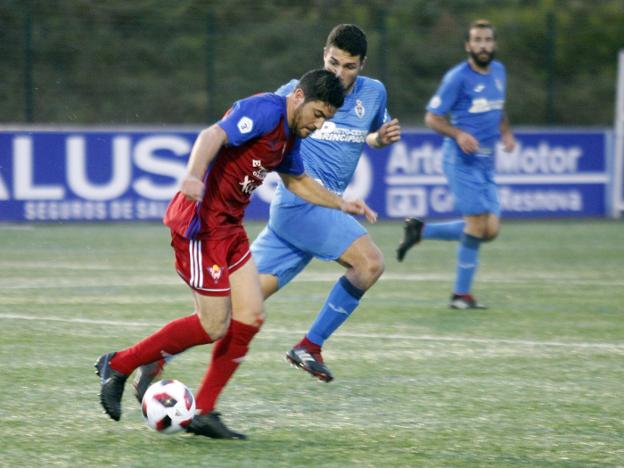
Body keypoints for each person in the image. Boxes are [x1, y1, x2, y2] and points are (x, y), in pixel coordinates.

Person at [131, 23, 400, 424]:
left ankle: (160, 360)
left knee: (229, 314)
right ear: (323, 54)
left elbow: (368, 133)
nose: (340, 74)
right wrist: (205, 174)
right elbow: (250, 128)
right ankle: (311, 345)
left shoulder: (374, 93)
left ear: (362, 66)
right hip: (302, 205)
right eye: (333, 62)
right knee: (370, 263)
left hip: (302, 218)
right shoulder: (295, 92)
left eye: (349, 67)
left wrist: (380, 138)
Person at [396, 19, 516, 309]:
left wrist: (507, 132)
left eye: (488, 40)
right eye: (477, 40)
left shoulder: (499, 72)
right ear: (468, 46)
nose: (483, 45)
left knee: (491, 230)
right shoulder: (457, 78)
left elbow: (498, 108)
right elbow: (432, 117)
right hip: (461, 161)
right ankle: (461, 295)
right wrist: (458, 133)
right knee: (476, 224)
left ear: (494, 44)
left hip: (487, 162)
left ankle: (421, 231)